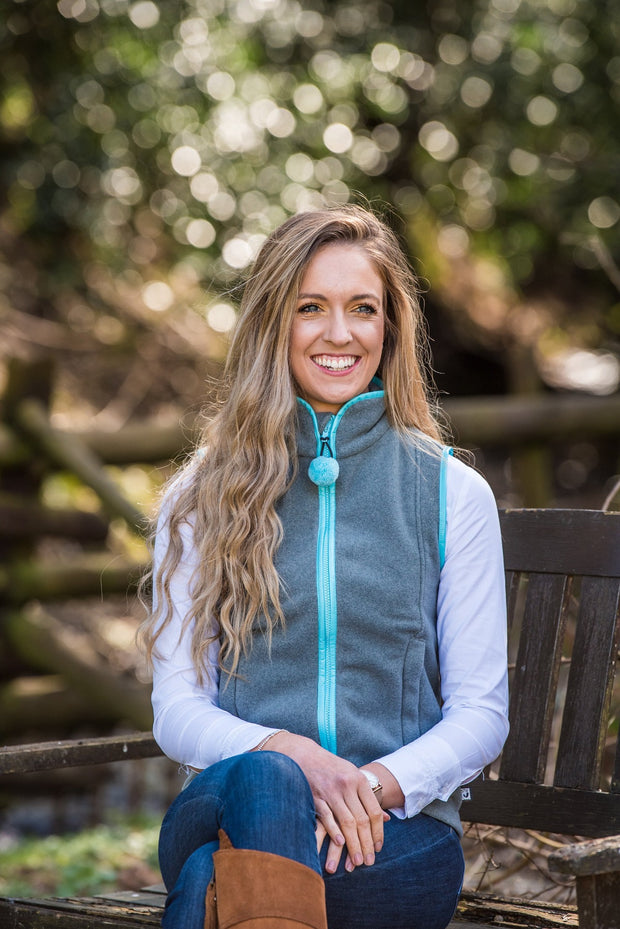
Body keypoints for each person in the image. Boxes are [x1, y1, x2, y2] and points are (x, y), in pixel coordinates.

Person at [139, 205, 509, 929]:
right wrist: (294, 756)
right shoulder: (198, 497)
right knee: (266, 782)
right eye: (312, 307)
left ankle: (220, 894)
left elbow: (480, 715)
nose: (340, 333)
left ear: (389, 327)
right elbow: (177, 710)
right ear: (275, 323)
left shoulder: (450, 495)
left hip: (393, 832)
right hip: (229, 799)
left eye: (362, 308)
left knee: (210, 882)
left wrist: (366, 786)